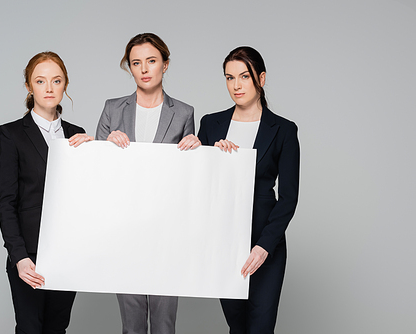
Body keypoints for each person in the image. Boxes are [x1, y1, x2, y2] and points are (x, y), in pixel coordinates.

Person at [96, 33, 200, 334]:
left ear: (164, 65)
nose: (144, 69)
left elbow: (186, 179)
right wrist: (104, 144)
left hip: (167, 232)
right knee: (131, 326)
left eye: (151, 61)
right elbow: (96, 174)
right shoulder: (113, 109)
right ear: (129, 67)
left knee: (165, 325)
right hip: (123, 230)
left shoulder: (184, 113)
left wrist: (196, 147)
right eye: (136, 62)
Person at [197, 46, 300, 334]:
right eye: (230, 77)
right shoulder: (210, 123)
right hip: (224, 242)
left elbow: (289, 196)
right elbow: (199, 186)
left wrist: (265, 246)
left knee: (261, 327)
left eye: (244, 76)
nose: (236, 85)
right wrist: (213, 156)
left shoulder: (283, 129)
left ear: (261, 79)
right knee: (237, 326)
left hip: (265, 243)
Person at [0, 51, 93, 333]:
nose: (49, 88)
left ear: (65, 84)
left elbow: (86, 199)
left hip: (68, 254)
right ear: (29, 86)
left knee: (57, 328)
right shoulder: (11, 134)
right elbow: (6, 202)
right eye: (40, 81)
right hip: (29, 256)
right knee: (30, 328)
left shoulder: (77, 134)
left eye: (56, 80)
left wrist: (95, 153)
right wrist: (19, 257)